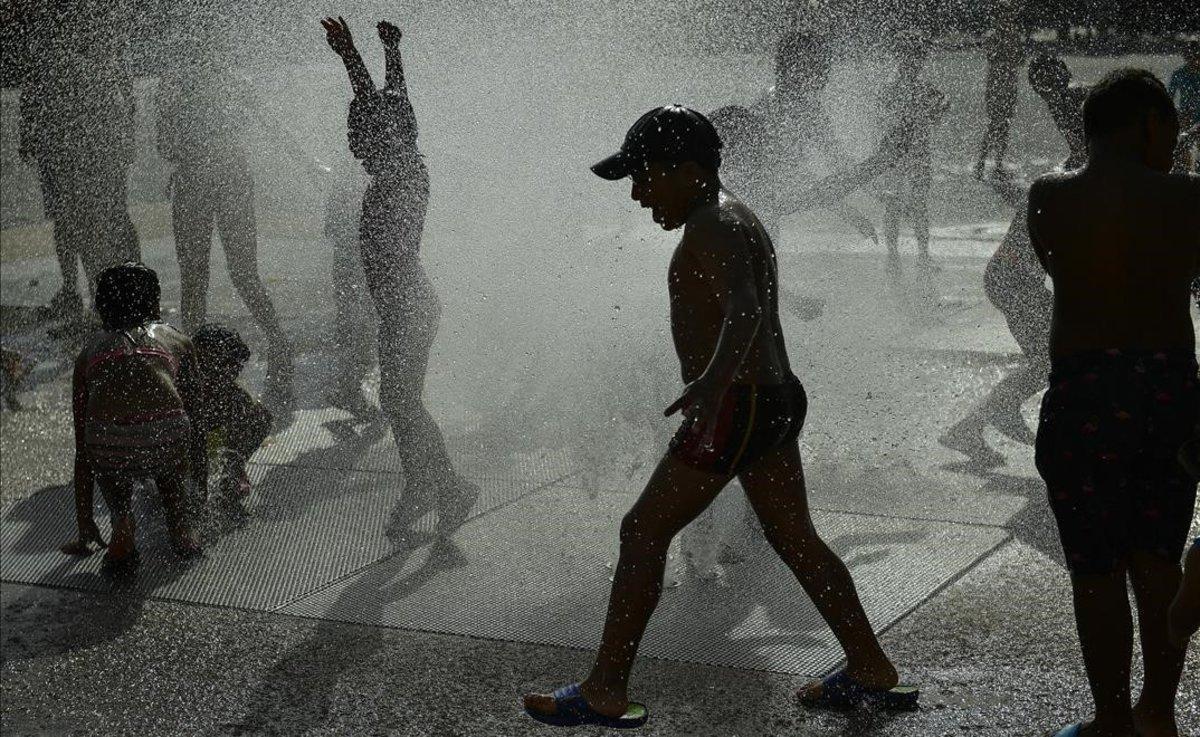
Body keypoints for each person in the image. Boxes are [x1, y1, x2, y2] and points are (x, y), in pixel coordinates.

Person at [523, 106, 920, 729]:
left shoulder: (711, 224)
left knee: (642, 532)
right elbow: (752, 301)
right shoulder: (738, 216)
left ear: (686, 171)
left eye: (644, 176)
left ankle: (604, 689)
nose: (636, 193)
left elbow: (743, 307)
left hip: (735, 405)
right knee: (794, 538)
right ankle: (869, 667)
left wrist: (710, 380)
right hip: (773, 399)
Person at [1027, 69, 1199, 737]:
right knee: (1158, 559)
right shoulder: (1189, 199)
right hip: (1168, 391)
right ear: (1149, 124)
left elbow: (1063, 265)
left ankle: (1109, 721)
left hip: (1083, 394)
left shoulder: (1047, 197)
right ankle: (1157, 712)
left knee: (1094, 571)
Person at [321, 16, 478, 534]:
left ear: (379, 137)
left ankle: (450, 487)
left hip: (408, 307)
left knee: (401, 402)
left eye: (355, 133)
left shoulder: (400, 177)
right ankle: (420, 485)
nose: (351, 142)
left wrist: (351, 57)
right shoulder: (406, 165)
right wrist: (390, 51)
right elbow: (393, 104)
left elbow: (381, 107)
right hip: (407, 306)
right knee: (401, 402)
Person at [156, 57, 295, 411]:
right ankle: (268, 341)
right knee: (219, 275)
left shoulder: (189, 86)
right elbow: (165, 145)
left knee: (214, 276)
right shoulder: (211, 83)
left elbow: (165, 146)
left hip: (209, 182)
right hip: (216, 180)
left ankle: (200, 355)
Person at [60, 263, 202, 574]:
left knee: (107, 448)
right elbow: (195, 413)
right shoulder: (175, 340)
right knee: (171, 446)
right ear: (155, 302)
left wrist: (84, 521)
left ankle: (122, 527)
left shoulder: (89, 352)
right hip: (167, 438)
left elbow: (82, 445)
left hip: (111, 447)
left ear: (101, 307)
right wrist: (199, 485)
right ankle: (180, 527)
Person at [20, 3, 141, 300]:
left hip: (90, 151)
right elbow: (33, 93)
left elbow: (126, 102)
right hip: (69, 150)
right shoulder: (61, 50)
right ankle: (86, 289)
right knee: (73, 220)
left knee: (97, 220)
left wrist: (125, 141)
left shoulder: (95, 53)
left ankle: (111, 288)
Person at [880, 32, 947, 275]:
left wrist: (937, 112)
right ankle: (901, 254)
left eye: (916, 58)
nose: (912, 63)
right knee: (899, 204)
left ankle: (914, 254)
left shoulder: (918, 88)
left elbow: (939, 110)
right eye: (909, 58)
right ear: (901, 60)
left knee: (914, 203)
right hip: (903, 154)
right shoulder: (907, 88)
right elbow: (884, 119)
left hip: (911, 153)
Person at [189, 324, 273, 508]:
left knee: (260, 416)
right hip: (175, 457)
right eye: (225, 365)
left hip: (200, 445)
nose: (233, 372)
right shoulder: (184, 386)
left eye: (235, 368)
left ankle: (233, 470)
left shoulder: (232, 394)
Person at [325, 157, 377, 417]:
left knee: (351, 315)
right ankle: (355, 384)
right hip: (363, 244)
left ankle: (351, 387)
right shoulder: (375, 162)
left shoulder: (352, 162)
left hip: (352, 244)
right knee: (365, 314)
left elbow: (336, 212)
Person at [974, 0, 1025, 180]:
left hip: (1010, 85)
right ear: (998, 16)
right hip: (996, 87)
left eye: (1011, 14)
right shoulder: (993, 35)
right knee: (995, 123)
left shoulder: (1015, 35)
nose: (1009, 17)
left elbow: (1020, 60)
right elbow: (992, 57)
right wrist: (1007, 42)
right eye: (1006, 14)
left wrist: (1015, 45)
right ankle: (981, 162)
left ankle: (997, 164)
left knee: (1005, 125)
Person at [1028, 51, 1089, 170]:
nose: (1042, 87)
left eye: (1048, 80)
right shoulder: (1059, 99)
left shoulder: (1064, 99)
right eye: (1038, 82)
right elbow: (1078, 149)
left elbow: (1083, 149)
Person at [1167, 43, 1199, 172]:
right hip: (1186, 115)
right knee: (1184, 145)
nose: (1192, 59)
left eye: (1195, 55)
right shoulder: (1178, 74)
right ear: (1185, 56)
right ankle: (1186, 172)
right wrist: (1176, 115)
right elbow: (1168, 98)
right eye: (1188, 55)